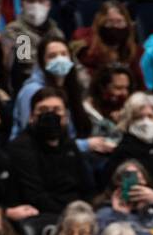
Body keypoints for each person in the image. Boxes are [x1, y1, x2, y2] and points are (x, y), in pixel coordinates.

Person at [6, 87, 94, 220]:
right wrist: (72, 215)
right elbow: (35, 196)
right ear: (31, 116)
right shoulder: (21, 147)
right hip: (44, 216)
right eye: (43, 110)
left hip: (77, 212)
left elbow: (87, 186)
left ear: (66, 116)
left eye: (57, 110)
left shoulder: (69, 144)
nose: (50, 115)